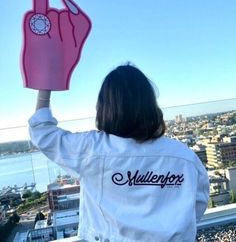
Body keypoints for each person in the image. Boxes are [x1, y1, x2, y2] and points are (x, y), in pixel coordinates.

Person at [29, 64, 209, 242]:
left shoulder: (91, 149)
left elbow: (42, 133)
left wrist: (46, 84)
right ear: (150, 104)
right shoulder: (184, 157)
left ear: (104, 107)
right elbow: (197, 205)